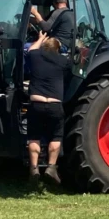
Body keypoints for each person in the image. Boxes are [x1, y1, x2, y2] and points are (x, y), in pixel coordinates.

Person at [26, 31, 69, 183]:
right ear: (57, 49)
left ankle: (34, 168)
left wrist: (41, 38)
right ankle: (51, 167)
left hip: (36, 104)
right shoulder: (62, 61)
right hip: (55, 105)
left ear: (44, 46)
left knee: (34, 137)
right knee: (56, 136)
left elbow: (30, 49)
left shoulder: (36, 56)